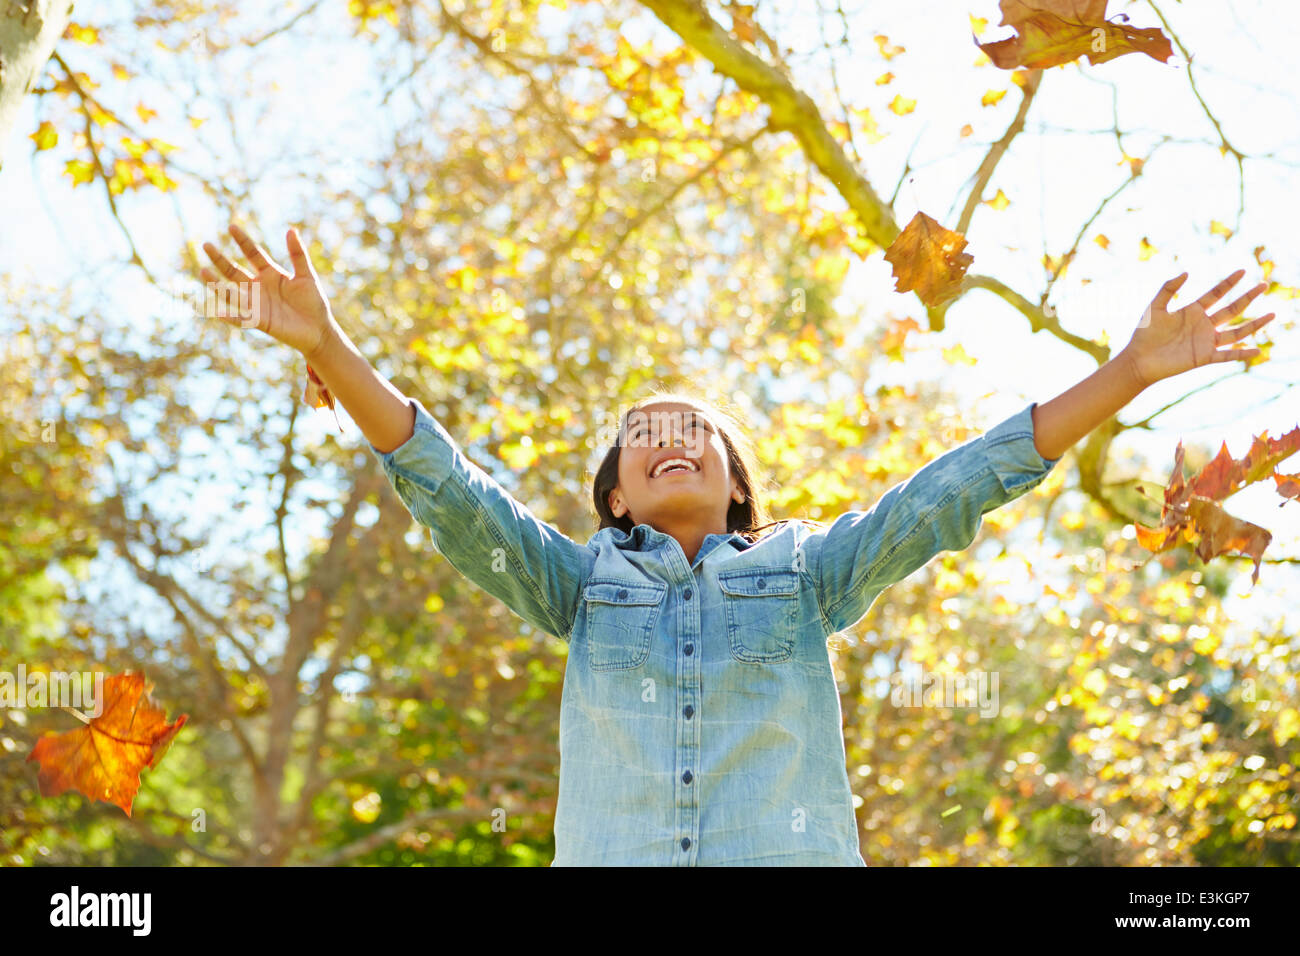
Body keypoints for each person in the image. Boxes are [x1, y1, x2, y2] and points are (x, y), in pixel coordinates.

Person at [201, 222, 1273, 865]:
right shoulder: (575, 585)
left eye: (693, 428)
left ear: (734, 477)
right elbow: (449, 490)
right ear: (615, 494)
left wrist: (1128, 370)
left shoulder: (806, 572)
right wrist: (331, 347)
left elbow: (955, 485)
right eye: (641, 434)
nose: (668, 436)